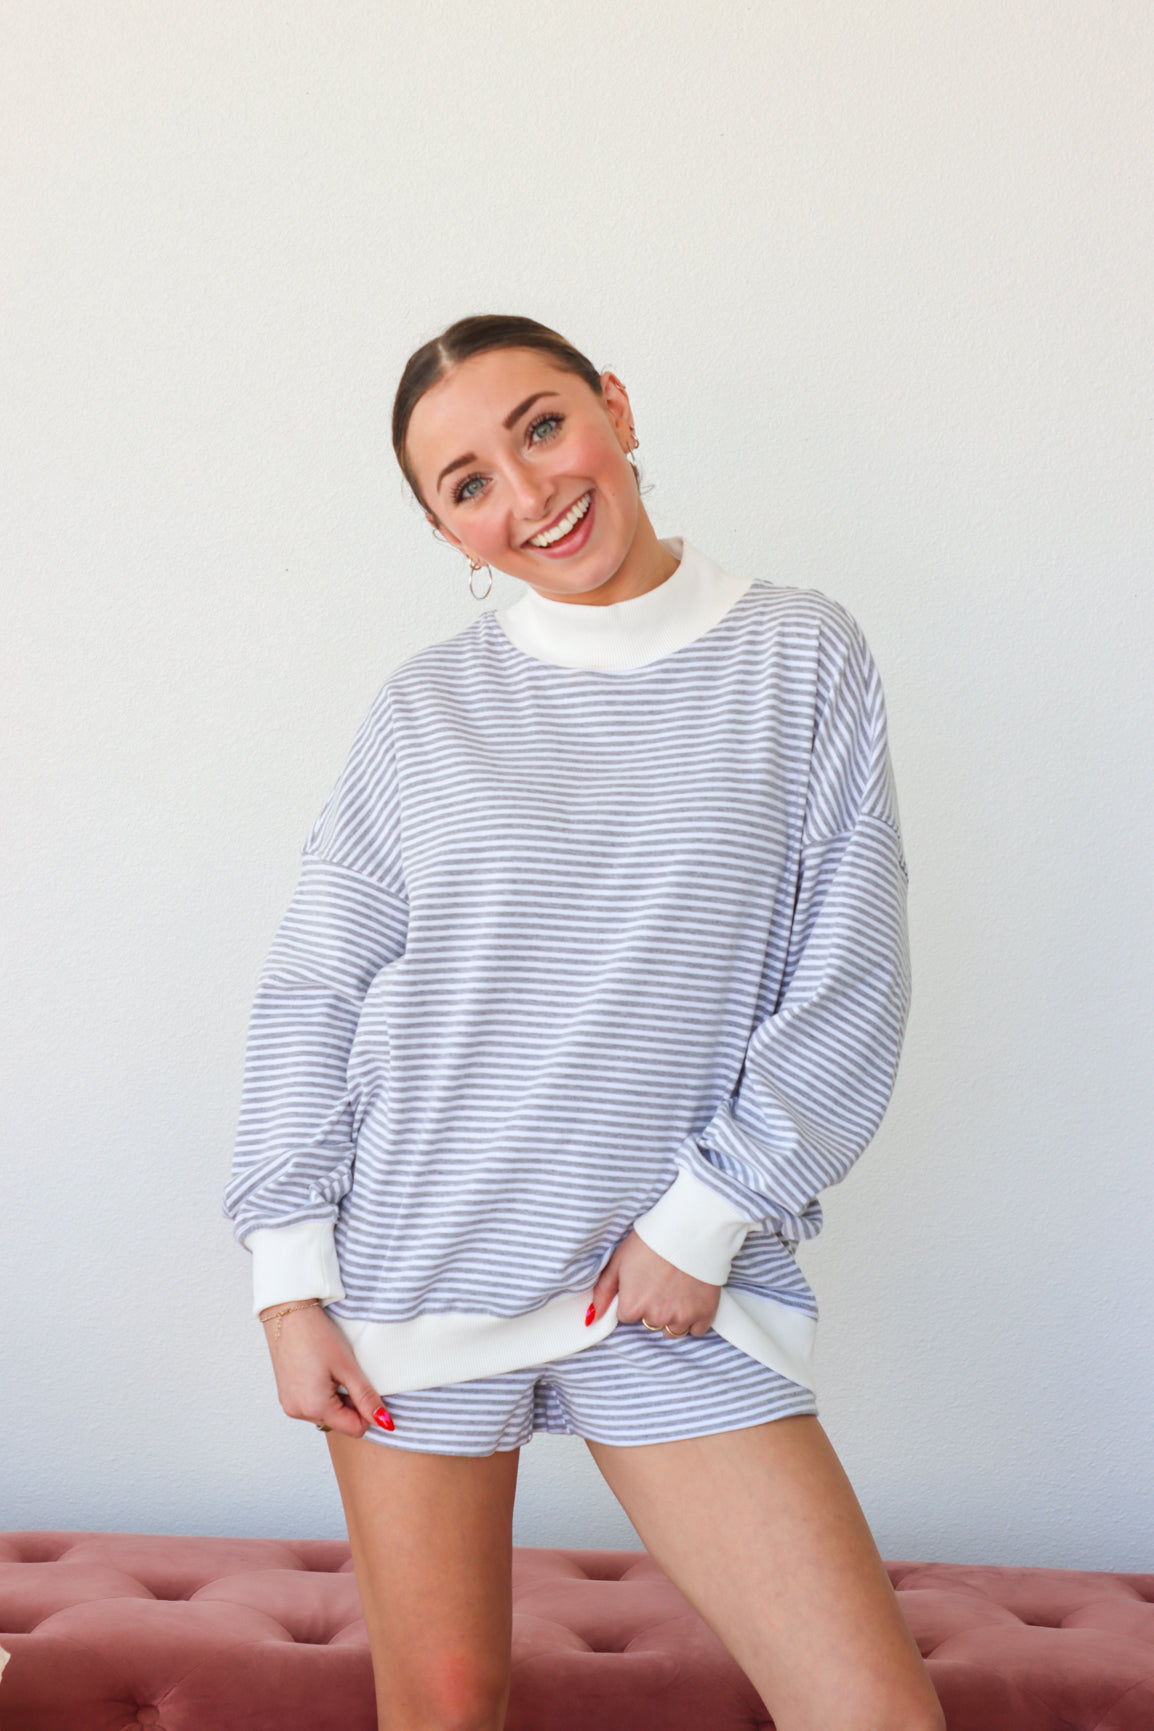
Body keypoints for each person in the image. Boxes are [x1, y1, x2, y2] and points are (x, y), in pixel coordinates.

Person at [224, 314, 944, 1731]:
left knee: (870, 1717)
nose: (530, 491)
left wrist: (706, 1219)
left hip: (665, 1284)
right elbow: (314, 984)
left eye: (542, 426)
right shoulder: (426, 709)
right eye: (469, 483)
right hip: (420, 1268)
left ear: (613, 406)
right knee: (446, 1710)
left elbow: (850, 967)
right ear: (448, 531)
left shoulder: (801, 655)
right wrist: (288, 1280)